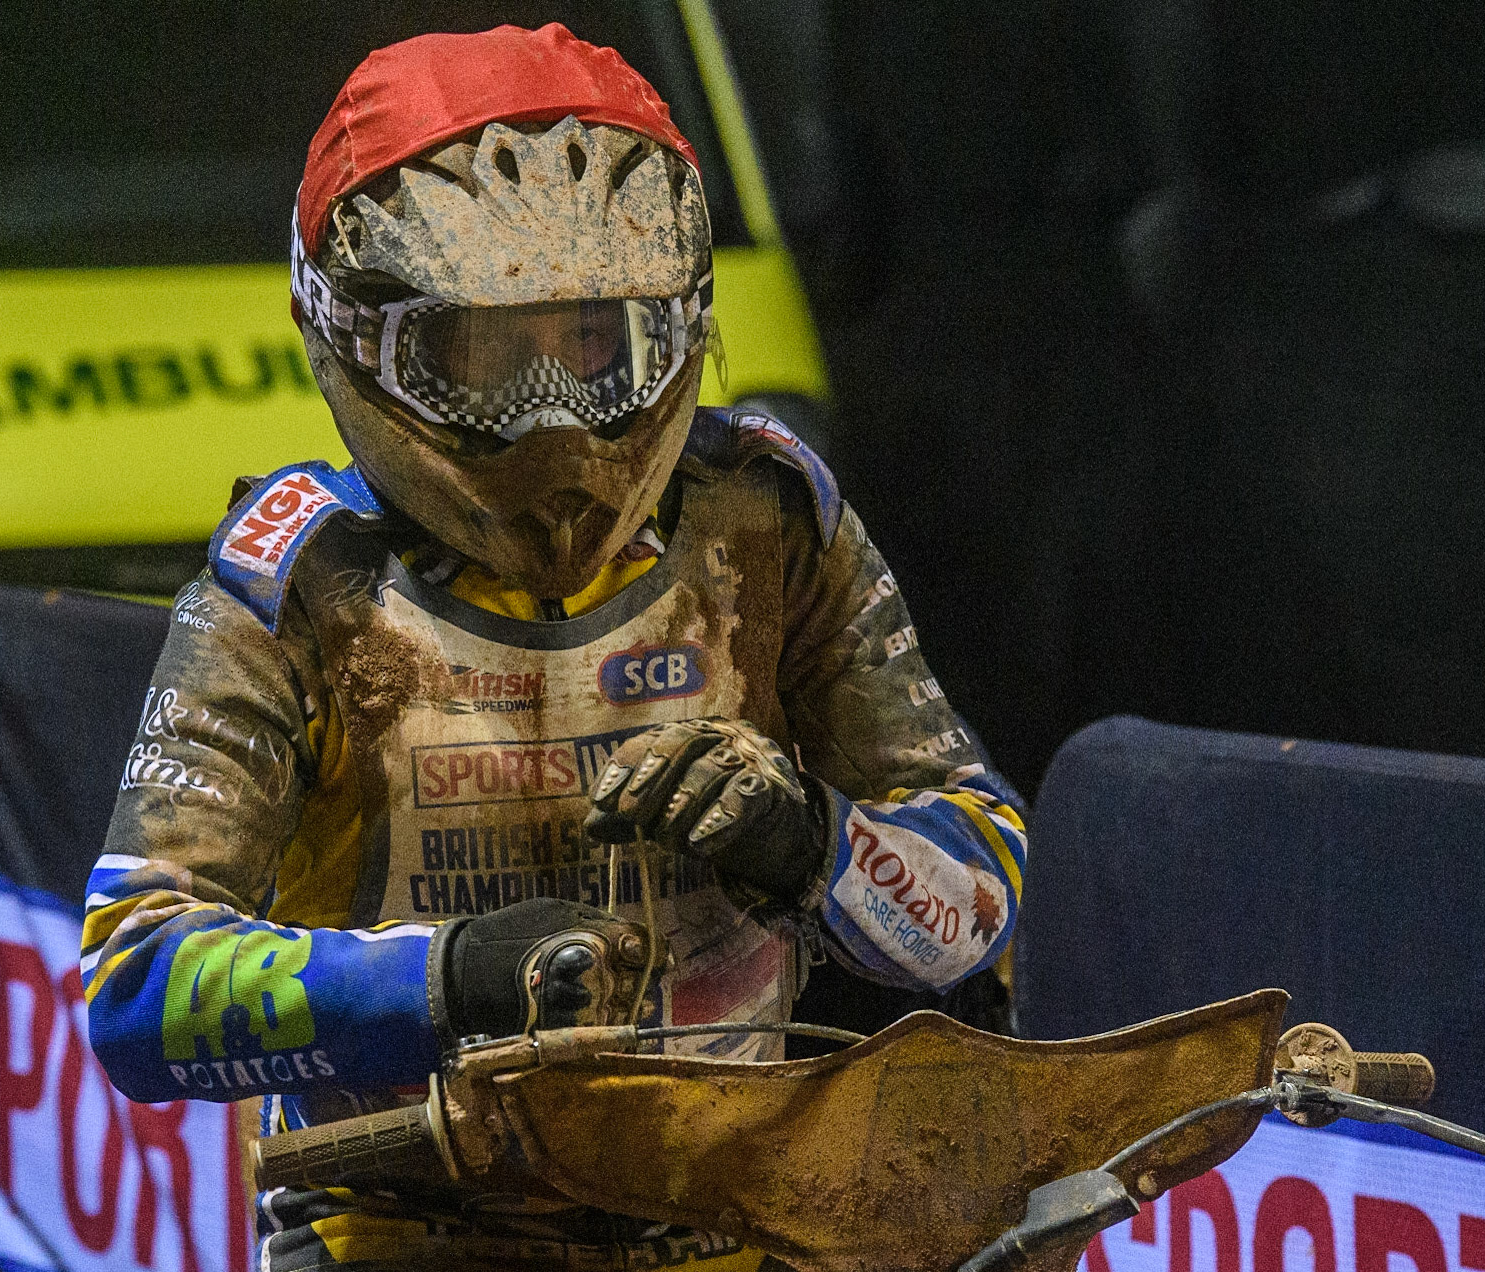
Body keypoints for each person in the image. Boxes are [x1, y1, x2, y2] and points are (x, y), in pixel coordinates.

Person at [82, 24, 1026, 1271]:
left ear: (674, 328)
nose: (555, 419)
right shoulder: (297, 585)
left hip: (726, 1224)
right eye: (483, 358)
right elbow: (134, 993)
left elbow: (980, 893)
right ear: (354, 335)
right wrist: (451, 980)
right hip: (406, 1231)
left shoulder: (763, 525)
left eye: (593, 346)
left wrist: (811, 842)